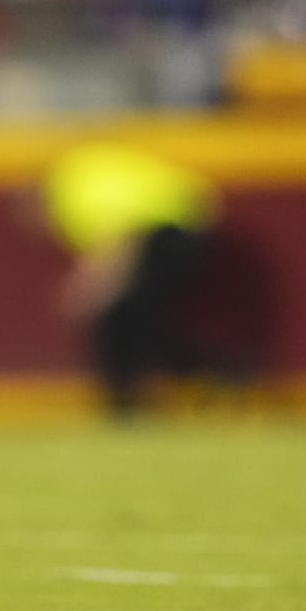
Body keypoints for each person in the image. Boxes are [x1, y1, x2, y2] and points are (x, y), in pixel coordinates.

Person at [39, 141, 220, 416]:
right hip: (187, 222)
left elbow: (124, 236)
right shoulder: (77, 175)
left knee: (125, 316)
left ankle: (131, 399)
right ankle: (143, 393)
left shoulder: (74, 196)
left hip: (168, 232)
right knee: (136, 319)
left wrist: (91, 288)